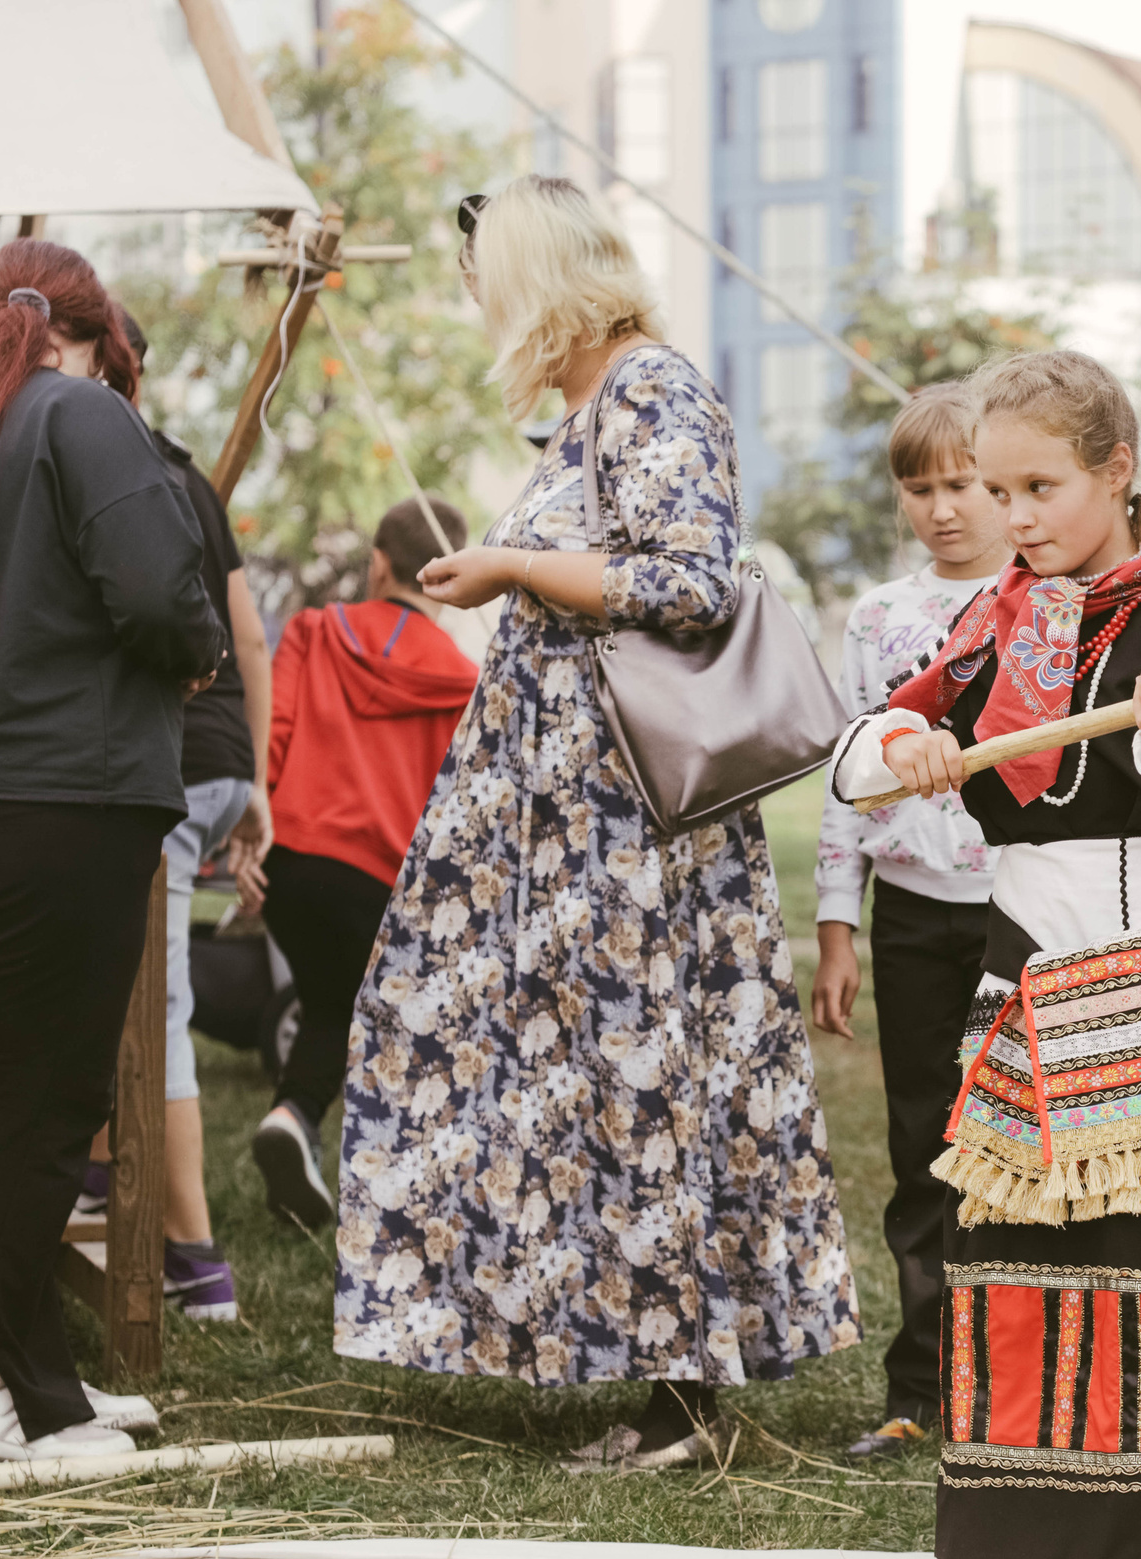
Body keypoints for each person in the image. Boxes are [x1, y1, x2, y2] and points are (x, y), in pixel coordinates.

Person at [333, 175, 857, 1470]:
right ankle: (584, 1335)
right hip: (559, 835)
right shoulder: (589, 412)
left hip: (627, 831)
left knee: (641, 1080)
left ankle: (679, 1389)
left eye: (484, 285)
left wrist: (512, 566)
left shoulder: (651, 389)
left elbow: (690, 578)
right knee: (530, 1066)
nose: (476, 311)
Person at [831, 348, 1141, 1559]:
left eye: (1041, 485)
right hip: (1029, 984)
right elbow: (873, 742)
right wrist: (902, 751)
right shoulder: (997, 625)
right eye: (996, 485)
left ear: (1115, 471)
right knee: (1032, 1280)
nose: (1015, 513)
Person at [0, 239, 222, 1464]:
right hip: (54, 810)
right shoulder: (80, 412)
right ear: (92, 342)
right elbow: (164, 595)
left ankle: (38, 1390)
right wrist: (197, 657)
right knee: (39, 1116)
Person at [809, 384, 1002, 1461]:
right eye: (919, 488)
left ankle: (1006, 1380)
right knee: (921, 1145)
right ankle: (917, 1384)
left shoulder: (1039, 604)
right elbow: (849, 781)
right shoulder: (880, 619)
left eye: (963, 484)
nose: (943, 509)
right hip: (914, 919)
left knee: (1009, 1147)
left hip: (1017, 914)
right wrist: (839, 923)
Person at [73, 309, 274, 1323]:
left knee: (159, 1004)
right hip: (227, 763)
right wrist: (259, 787)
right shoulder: (192, 478)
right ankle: (106, 1178)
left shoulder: (101, 471)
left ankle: (194, 1256)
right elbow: (250, 635)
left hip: (168, 760)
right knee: (126, 983)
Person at [250, 494, 479, 1232]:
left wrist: (249, 839)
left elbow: (273, 738)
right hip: (382, 886)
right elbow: (457, 814)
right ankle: (404, 1199)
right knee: (404, 1034)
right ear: (446, 575)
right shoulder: (465, 681)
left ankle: (292, 1124)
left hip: (291, 866)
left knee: (332, 1004)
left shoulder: (314, 632)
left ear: (379, 562)